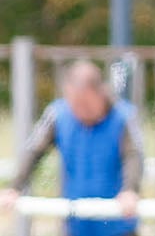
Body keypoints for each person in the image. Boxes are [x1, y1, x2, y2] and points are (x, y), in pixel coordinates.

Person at [0, 62, 143, 236]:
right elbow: (34, 150)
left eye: (85, 104)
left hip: (119, 224)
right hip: (76, 223)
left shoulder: (124, 116)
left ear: (100, 93)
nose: (80, 111)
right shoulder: (58, 114)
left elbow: (133, 155)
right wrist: (15, 187)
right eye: (74, 105)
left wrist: (130, 190)